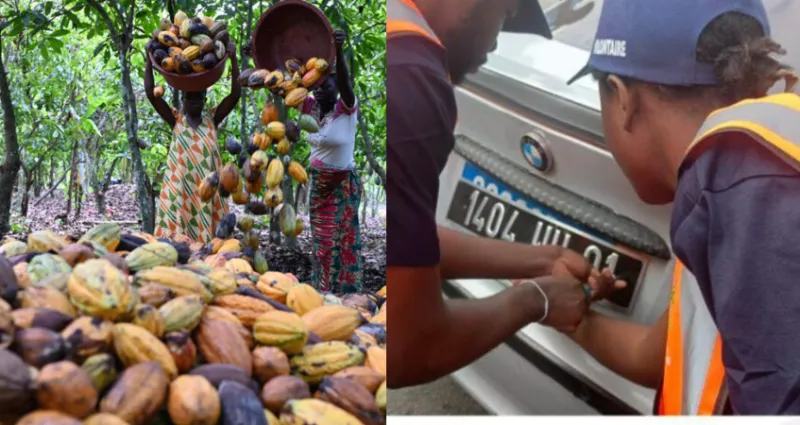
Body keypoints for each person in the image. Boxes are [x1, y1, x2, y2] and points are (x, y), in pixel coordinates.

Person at [561, 0, 800, 414]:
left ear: (621, 101)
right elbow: (664, 352)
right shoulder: (722, 194)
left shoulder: (744, 190)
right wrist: (575, 319)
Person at [386, 0, 623, 389]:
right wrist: (535, 300)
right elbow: (409, 348)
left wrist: (546, 259)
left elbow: (394, 244)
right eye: (507, 14)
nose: (497, 43)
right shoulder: (412, 76)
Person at [144, 41, 241, 244]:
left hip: (207, 191)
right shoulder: (176, 119)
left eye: (199, 98)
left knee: (210, 245)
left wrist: (232, 58)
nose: (194, 102)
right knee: (176, 243)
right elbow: (151, 94)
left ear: (205, 100)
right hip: (180, 189)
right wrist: (148, 61)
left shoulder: (212, 119)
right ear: (183, 100)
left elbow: (234, 95)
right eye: (190, 98)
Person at [299, 29, 362, 294]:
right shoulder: (309, 107)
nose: (323, 88)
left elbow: (347, 84)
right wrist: (256, 59)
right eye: (320, 84)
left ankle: (347, 291)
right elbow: (281, 83)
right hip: (319, 187)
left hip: (342, 186)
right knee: (322, 243)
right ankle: (322, 290)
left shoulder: (346, 108)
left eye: (329, 84)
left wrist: (337, 52)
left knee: (343, 242)